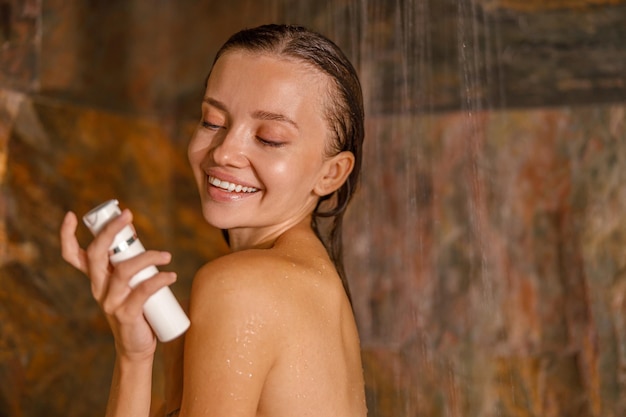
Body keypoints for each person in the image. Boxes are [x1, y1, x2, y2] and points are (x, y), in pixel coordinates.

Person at [60, 23, 367, 417]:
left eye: (269, 138)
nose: (224, 152)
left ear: (332, 173)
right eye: (213, 122)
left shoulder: (242, 288)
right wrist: (134, 354)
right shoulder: (311, 284)